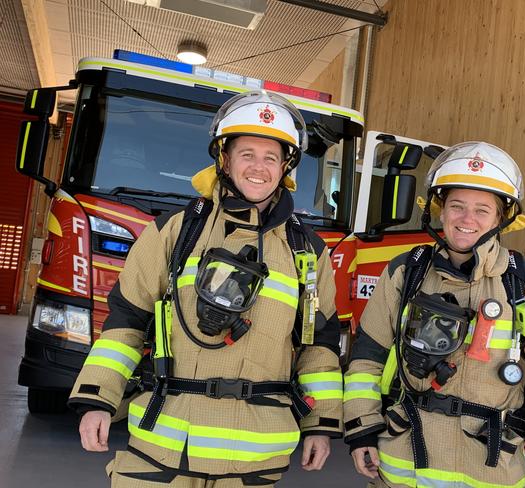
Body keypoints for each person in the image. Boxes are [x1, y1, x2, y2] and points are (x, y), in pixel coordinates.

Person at [69, 90, 344, 487]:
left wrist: (321, 423)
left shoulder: (307, 251)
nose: (258, 167)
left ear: (286, 166)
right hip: (162, 449)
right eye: (246, 153)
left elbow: (317, 343)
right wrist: (98, 398)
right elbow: (127, 320)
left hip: (255, 459)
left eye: (271, 157)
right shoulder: (175, 231)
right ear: (224, 158)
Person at [343, 141, 525, 488]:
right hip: (403, 468)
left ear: (501, 219)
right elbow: (367, 358)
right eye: (456, 206)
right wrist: (362, 428)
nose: (466, 219)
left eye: (481, 210)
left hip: (491, 471)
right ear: (439, 211)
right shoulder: (405, 273)